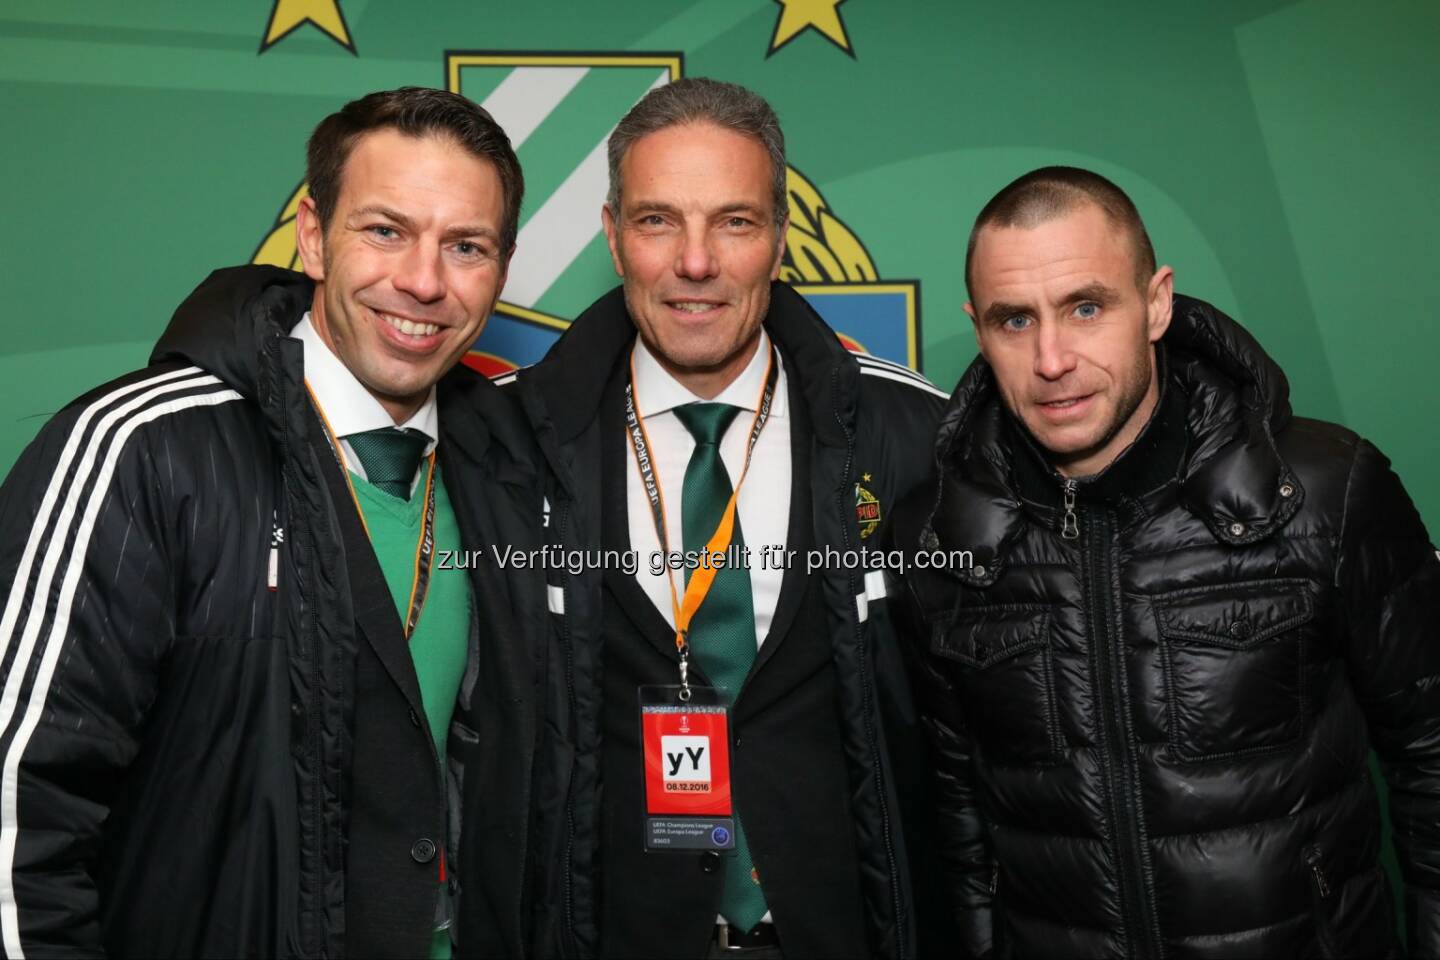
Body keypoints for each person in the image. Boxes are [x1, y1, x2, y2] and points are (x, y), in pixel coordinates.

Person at [0, 87, 547, 957]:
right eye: (385, 230)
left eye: (466, 246)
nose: (423, 280)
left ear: (503, 268)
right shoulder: (146, 451)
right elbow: (19, 817)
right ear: (313, 234)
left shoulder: (509, 477)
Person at [893, 165, 1440, 958]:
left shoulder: (1326, 490)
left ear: (1155, 303)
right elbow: (960, 822)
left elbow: (1430, 754)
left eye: (1085, 307)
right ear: (978, 329)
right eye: (1016, 321)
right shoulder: (937, 540)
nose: (1051, 359)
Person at [501, 78, 947, 959]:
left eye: (735, 222)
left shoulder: (912, 434)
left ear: (780, 240)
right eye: (658, 219)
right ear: (613, 234)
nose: (695, 262)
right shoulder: (511, 444)